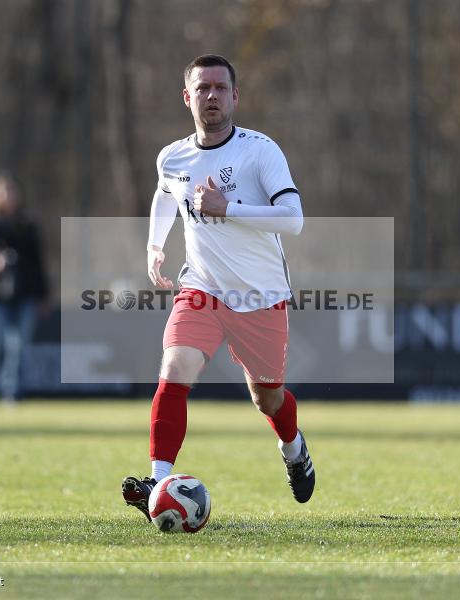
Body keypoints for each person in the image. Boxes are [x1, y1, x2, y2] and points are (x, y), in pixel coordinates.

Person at [122, 55, 315, 521]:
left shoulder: (260, 151)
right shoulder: (173, 156)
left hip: (259, 295)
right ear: (187, 97)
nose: (212, 96)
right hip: (201, 288)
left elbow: (294, 219)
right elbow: (165, 192)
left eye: (220, 88)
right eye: (202, 88)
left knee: (267, 398)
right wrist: (154, 246)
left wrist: (227, 208)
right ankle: (158, 480)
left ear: (235, 97)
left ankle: (294, 448)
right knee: (174, 369)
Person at [0, 172, 49, 405]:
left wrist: (43, 295)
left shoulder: (27, 224)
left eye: (12, 191)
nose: (8, 196)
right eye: (3, 191)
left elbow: (38, 263)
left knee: (19, 346)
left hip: (26, 294)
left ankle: (12, 391)